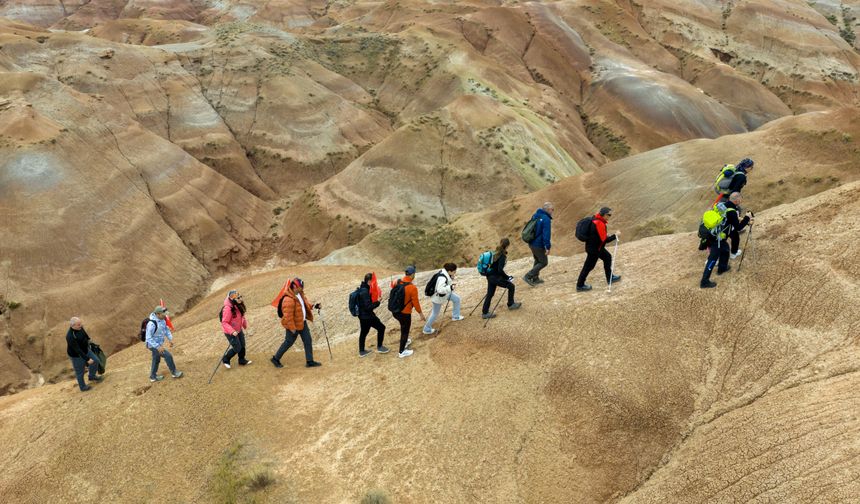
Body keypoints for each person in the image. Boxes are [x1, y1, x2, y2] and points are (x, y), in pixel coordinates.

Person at [271, 278, 322, 368]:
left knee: (308, 340)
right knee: (288, 342)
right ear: (294, 286)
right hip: (293, 325)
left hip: (302, 322)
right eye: (300, 287)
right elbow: (288, 317)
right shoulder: (288, 299)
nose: (302, 289)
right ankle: (275, 359)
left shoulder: (300, 294)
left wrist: (314, 306)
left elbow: (305, 305)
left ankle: (309, 361)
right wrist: (292, 328)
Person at [576, 207, 621, 292]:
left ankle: (610, 277)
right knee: (588, 267)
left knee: (607, 257)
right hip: (594, 250)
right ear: (604, 215)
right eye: (609, 215)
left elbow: (598, 235)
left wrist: (604, 235)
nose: (610, 216)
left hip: (596, 247)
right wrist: (616, 235)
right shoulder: (599, 223)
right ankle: (580, 285)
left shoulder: (596, 219)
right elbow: (605, 240)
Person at [391, 266, 425, 359]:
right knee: (405, 331)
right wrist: (420, 313)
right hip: (405, 313)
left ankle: (405, 341)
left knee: (403, 328)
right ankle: (402, 352)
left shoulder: (397, 282)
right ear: (413, 274)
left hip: (395, 311)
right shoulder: (412, 288)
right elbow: (416, 303)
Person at [483, 238, 522, 319]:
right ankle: (511, 304)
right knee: (511, 286)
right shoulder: (502, 255)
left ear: (500, 243)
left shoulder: (494, 253)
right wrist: (507, 277)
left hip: (489, 276)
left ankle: (485, 312)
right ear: (507, 246)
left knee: (490, 294)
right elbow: (500, 270)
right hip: (495, 277)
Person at [423, 263, 465, 335]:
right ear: (449, 271)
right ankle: (426, 329)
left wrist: (451, 279)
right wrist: (450, 288)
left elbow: (445, 283)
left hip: (445, 294)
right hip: (438, 297)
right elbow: (440, 289)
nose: (455, 273)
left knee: (457, 299)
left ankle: (456, 316)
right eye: (454, 271)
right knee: (435, 313)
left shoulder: (444, 273)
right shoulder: (442, 277)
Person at [145, 306, 183, 382]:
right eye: (163, 314)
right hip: (153, 345)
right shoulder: (151, 324)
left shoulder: (162, 320)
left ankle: (153, 377)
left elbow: (166, 330)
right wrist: (158, 347)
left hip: (158, 344)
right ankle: (174, 372)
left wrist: (170, 339)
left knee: (156, 359)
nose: (165, 316)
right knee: (168, 355)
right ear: (158, 314)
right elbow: (148, 338)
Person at [66, 317, 103, 392]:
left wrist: (89, 340)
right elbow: (77, 350)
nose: (81, 325)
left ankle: (92, 376)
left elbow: (84, 334)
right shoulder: (70, 336)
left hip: (86, 350)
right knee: (80, 371)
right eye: (79, 324)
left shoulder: (80, 328)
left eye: (80, 324)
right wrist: (87, 359)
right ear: (72, 326)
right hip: (76, 355)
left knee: (96, 360)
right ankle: (82, 387)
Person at [357, 273, 388, 357]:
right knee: (381, 328)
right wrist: (377, 302)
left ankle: (362, 351)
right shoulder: (365, 291)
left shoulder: (362, 288)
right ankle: (380, 347)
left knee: (364, 332)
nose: (375, 283)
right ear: (369, 281)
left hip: (362, 316)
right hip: (367, 316)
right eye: (373, 281)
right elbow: (368, 307)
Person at [523, 202, 554, 286]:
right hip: (538, 245)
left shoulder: (535, 215)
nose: (553, 211)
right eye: (552, 209)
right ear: (547, 210)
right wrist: (547, 247)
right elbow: (546, 235)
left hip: (531, 243)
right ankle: (528, 276)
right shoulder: (546, 219)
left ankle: (535, 278)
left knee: (537, 260)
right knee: (544, 262)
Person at [700, 213, 732, 289]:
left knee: (726, 249)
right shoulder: (719, 219)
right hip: (716, 243)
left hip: (715, 241)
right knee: (711, 261)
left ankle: (722, 268)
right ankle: (704, 282)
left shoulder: (714, 215)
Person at [221, 290, 251, 369]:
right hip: (230, 332)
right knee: (237, 347)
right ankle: (225, 359)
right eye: (238, 297)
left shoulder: (238, 305)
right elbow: (224, 322)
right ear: (232, 299)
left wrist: (244, 325)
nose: (240, 298)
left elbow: (241, 317)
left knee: (242, 344)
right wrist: (232, 331)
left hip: (238, 329)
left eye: (240, 296)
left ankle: (241, 360)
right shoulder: (228, 308)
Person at [723, 192, 753, 259]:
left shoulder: (725, 205)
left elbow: (733, 218)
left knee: (735, 237)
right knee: (720, 245)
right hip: (725, 229)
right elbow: (738, 228)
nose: (740, 202)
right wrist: (747, 217)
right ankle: (715, 259)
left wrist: (746, 221)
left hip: (724, 227)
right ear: (736, 201)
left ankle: (734, 252)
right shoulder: (733, 211)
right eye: (740, 200)